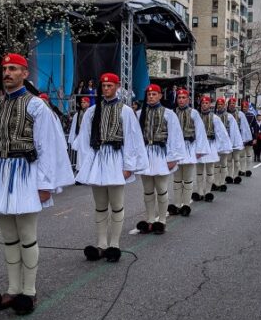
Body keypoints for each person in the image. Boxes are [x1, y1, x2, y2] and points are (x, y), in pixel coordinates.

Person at [0, 53, 75, 315]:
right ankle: (12, 288)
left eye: (14, 68)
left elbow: (47, 147)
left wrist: (44, 184)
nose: (7, 73)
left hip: (26, 173)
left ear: (25, 74)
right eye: (5, 69)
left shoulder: (36, 106)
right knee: (8, 237)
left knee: (27, 236)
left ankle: (29, 290)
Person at [74, 73, 148, 262]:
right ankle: (101, 244)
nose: (106, 88)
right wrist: (84, 165)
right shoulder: (92, 111)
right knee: (100, 206)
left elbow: (132, 139)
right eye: (104, 85)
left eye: (109, 85)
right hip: (98, 159)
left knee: (116, 205)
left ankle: (114, 244)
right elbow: (84, 140)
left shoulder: (125, 110)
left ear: (117, 87)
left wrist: (128, 165)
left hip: (116, 158)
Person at [135, 84, 185, 234]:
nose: (151, 97)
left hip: (161, 153)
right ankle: (150, 219)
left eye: (154, 94)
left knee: (161, 189)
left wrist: (173, 158)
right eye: (149, 95)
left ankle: (161, 220)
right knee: (148, 190)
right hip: (146, 153)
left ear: (160, 96)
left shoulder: (169, 114)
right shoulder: (138, 114)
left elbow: (175, 137)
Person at [168, 88, 210, 217]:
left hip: (188, 147)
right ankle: (177, 204)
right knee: (176, 179)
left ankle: (186, 204)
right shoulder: (172, 113)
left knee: (187, 178)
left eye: (183, 98)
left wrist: (199, 150)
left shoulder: (194, 113)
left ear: (188, 99)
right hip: (175, 149)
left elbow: (200, 132)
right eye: (179, 98)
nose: (181, 100)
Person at [193, 95, 231, 202]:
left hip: (210, 145)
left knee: (210, 170)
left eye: (206, 103)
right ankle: (200, 192)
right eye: (202, 103)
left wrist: (220, 147)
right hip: (199, 146)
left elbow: (221, 134)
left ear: (209, 105)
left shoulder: (215, 118)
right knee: (199, 171)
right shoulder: (196, 117)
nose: (204, 105)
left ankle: (208, 192)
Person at [213, 98, 237, 189]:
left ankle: (222, 182)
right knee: (216, 164)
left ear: (224, 105)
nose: (219, 106)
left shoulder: (229, 116)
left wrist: (231, 142)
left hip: (225, 142)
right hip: (215, 142)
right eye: (218, 105)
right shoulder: (213, 116)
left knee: (223, 163)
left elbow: (232, 130)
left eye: (221, 105)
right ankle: (216, 182)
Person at [226, 98, 248, 183]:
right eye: (230, 103)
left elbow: (244, 127)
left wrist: (243, 139)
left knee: (236, 159)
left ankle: (236, 175)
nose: (232, 104)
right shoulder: (226, 114)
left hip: (237, 139)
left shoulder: (240, 114)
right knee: (228, 159)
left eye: (233, 103)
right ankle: (229, 175)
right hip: (228, 139)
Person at [68, 96, 91, 173]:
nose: (82, 104)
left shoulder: (91, 113)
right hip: (81, 137)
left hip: (88, 138)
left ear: (88, 103)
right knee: (80, 157)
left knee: (88, 156)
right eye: (81, 102)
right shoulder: (77, 114)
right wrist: (72, 138)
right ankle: (80, 172)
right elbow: (74, 126)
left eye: (84, 102)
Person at [241, 101, 259, 175]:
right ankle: (241, 169)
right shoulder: (238, 114)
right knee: (241, 155)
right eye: (243, 107)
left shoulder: (252, 115)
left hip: (249, 137)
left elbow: (255, 128)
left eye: (246, 107)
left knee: (248, 154)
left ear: (248, 107)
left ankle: (247, 169)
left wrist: (255, 138)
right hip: (241, 137)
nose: (244, 108)